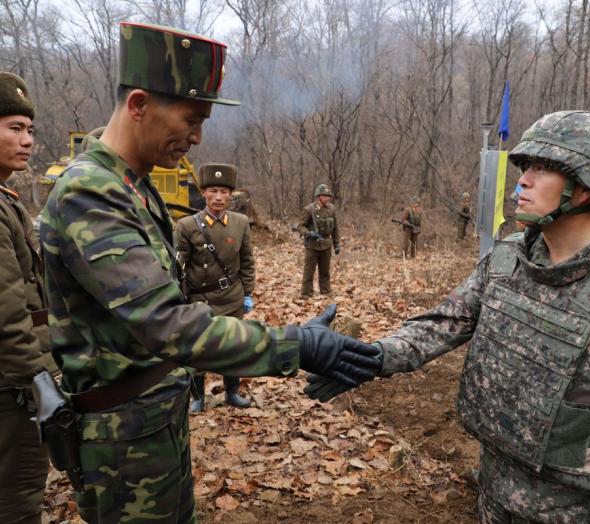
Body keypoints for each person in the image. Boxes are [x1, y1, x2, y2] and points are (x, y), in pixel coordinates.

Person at [39, 22, 380, 523]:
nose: (198, 138)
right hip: (121, 439)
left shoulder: (133, 185)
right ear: (139, 105)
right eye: (192, 119)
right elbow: (166, 322)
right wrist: (295, 346)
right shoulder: (90, 193)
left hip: (153, 418)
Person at [307, 110, 590, 523]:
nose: (523, 181)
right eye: (525, 166)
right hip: (494, 495)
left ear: (589, 186)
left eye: (543, 169)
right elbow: (445, 322)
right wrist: (372, 356)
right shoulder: (508, 258)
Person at [0, 72, 55, 524]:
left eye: (30, 130)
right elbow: (8, 309)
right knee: (18, 494)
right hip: (11, 383)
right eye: (14, 128)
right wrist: (38, 380)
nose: (27, 141)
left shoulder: (8, 199)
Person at [176, 163, 254, 411]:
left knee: (233, 347)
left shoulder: (241, 223)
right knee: (198, 349)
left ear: (231, 195)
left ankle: (232, 393)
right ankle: (197, 397)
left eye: (223, 191)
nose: (218, 197)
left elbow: (247, 261)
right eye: (213, 191)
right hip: (200, 299)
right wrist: (180, 298)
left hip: (231, 296)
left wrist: (248, 293)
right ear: (203, 193)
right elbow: (179, 266)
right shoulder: (187, 225)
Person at [298, 183, 340, 297]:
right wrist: (308, 233)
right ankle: (306, 293)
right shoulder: (309, 209)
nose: (328, 198)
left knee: (325, 271)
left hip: (326, 244)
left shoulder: (331, 209)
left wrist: (337, 244)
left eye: (328, 196)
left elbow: (335, 228)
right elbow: (300, 226)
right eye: (325, 195)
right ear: (319, 196)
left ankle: (326, 291)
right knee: (309, 272)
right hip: (312, 245)